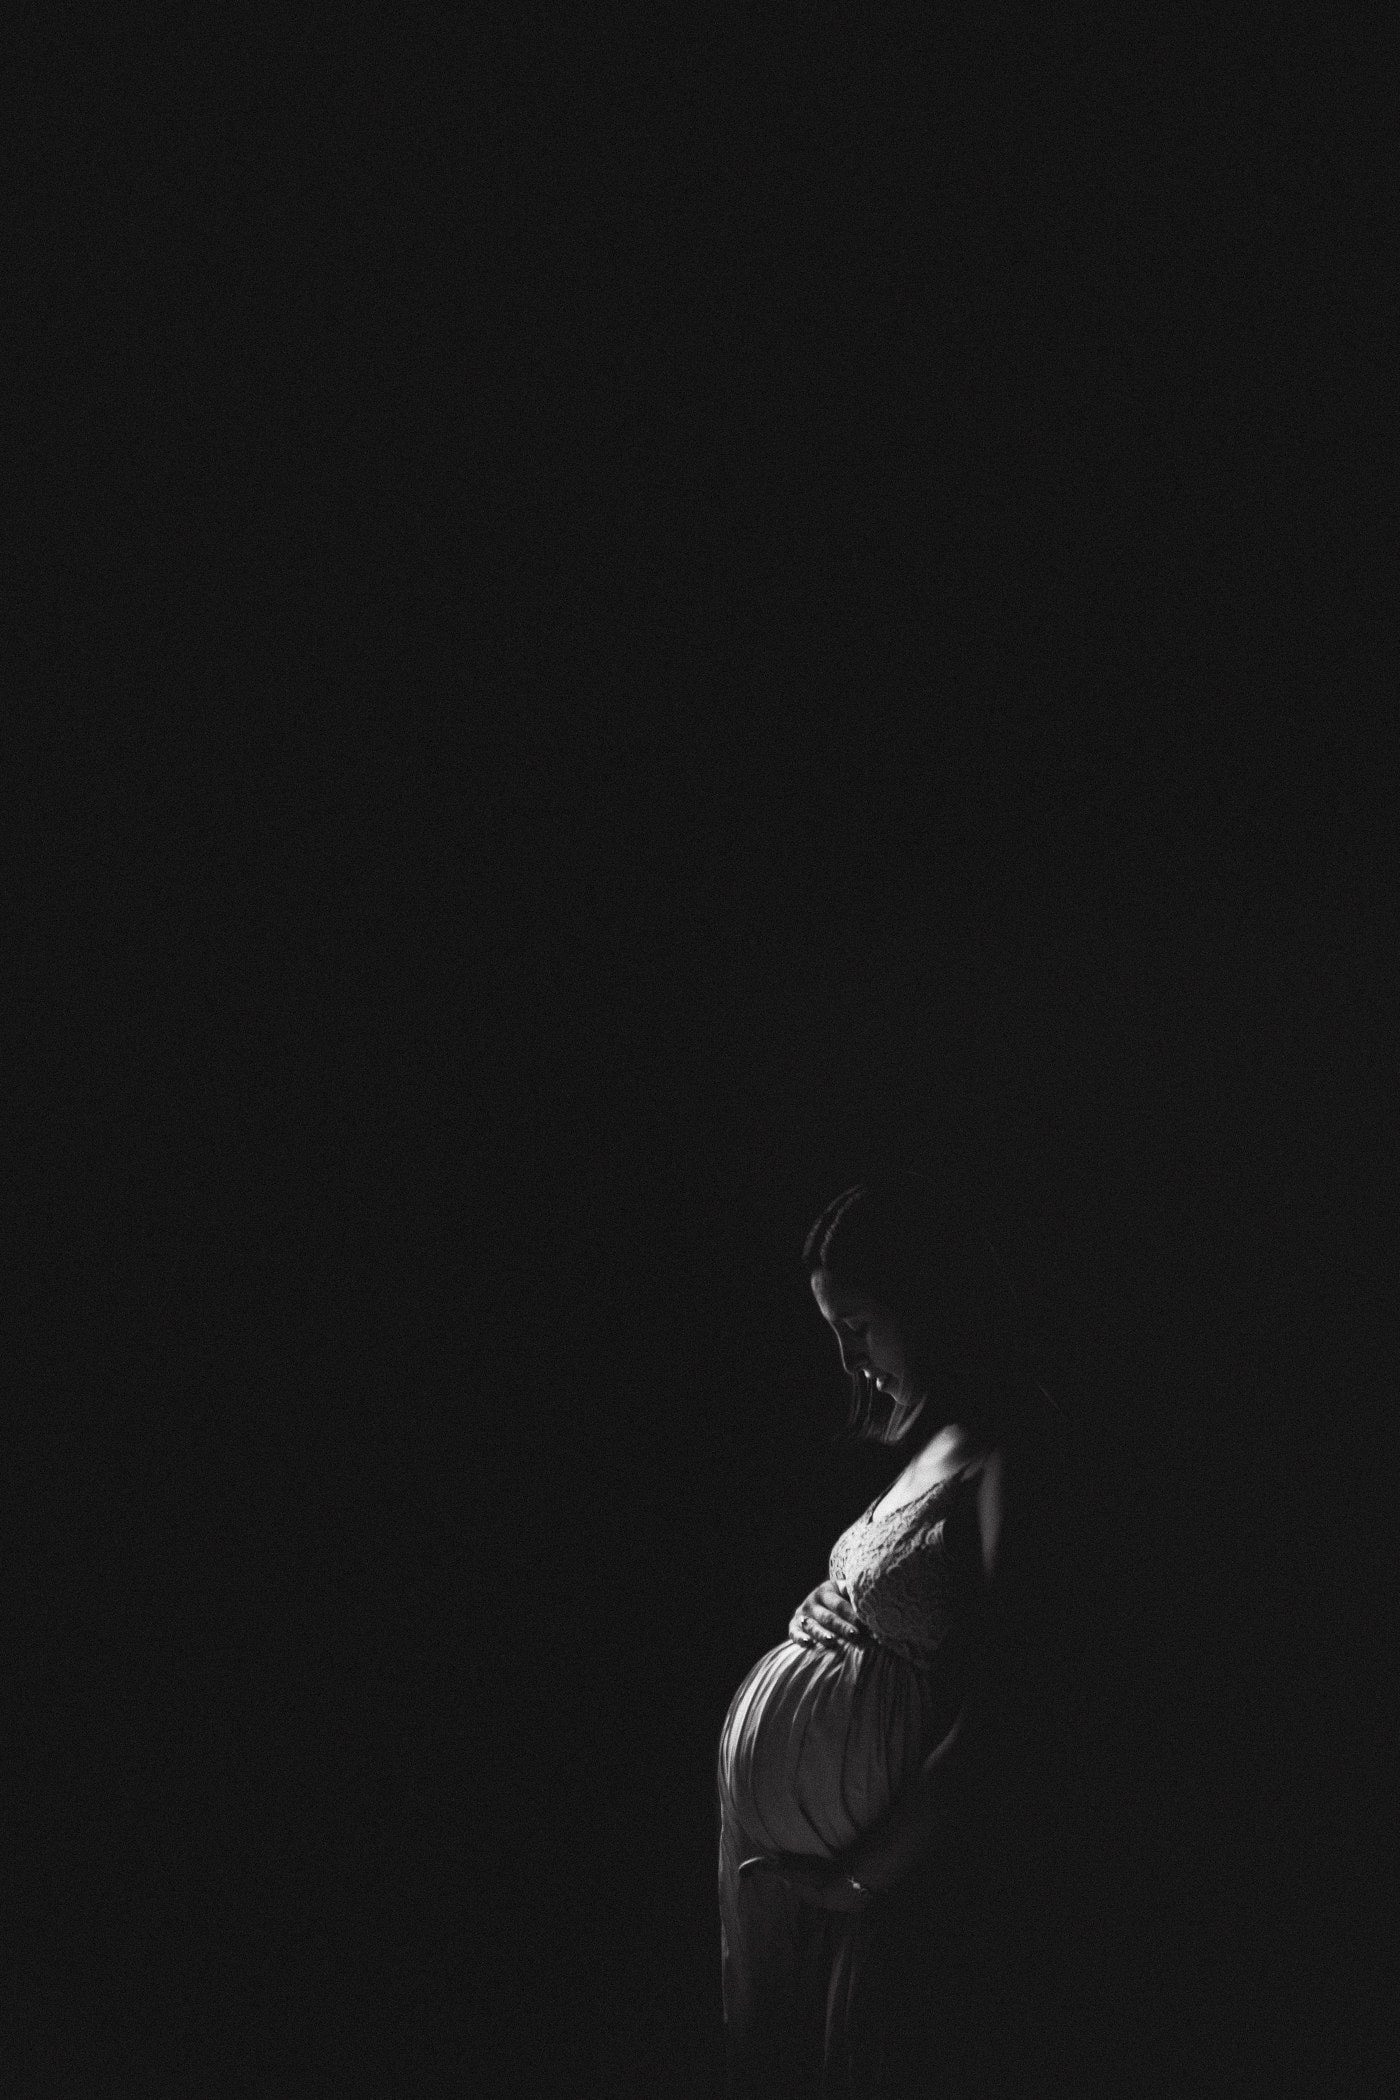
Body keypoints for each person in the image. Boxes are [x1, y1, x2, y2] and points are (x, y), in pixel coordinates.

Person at [716, 1171, 1113, 2098]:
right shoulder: (922, 1443)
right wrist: (823, 1612)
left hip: (899, 1887)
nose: (848, 1359)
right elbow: (890, 1596)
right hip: (814, 1881)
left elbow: (1010, 1701)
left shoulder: (1013, 1451)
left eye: (857, 1326)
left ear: (927, 1303)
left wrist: (864, 1877)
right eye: (834, 1332)